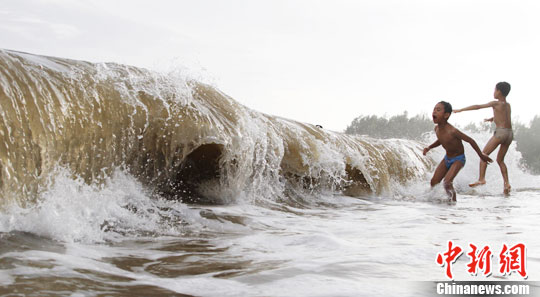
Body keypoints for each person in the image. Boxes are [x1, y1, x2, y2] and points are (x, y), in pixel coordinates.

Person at [423, 101, 492, 201]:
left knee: (447, 182)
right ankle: (433, 200)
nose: (434, 112)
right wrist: (429, 147)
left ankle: (453, 203)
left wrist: (481, 155)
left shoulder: (452, 131)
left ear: (446, 115)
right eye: (434, 109)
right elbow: (441, 140)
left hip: (458, 159)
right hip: (447, 158)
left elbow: (470, 141)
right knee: (434, 182)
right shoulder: (437, 129)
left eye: (438, 110)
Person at [453, 82, 513, 194]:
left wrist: (461, 109)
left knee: (483, 154)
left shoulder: (495, 103)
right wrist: (492, 118)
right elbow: (504, 116)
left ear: (499, 91)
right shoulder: (507, 105)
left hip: (500, 133)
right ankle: (506, 184)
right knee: (500, 160)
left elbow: (478, 107)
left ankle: (481, 179)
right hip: (509, 134)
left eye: (495, 90)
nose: (494, 92)